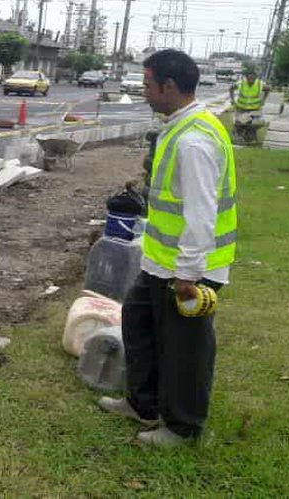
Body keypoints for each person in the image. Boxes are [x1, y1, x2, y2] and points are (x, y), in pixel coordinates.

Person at [99, 49, 237, 447]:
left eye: (146, 84)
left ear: (169, 86)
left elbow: (200, 213)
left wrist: (188, 274)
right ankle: (143, 403)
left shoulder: (194, 140)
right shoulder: (179, 126)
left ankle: (182, 427)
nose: (143, 92)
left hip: (189, 268)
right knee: (139, 323)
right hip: (162, 262)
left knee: (185, 350)